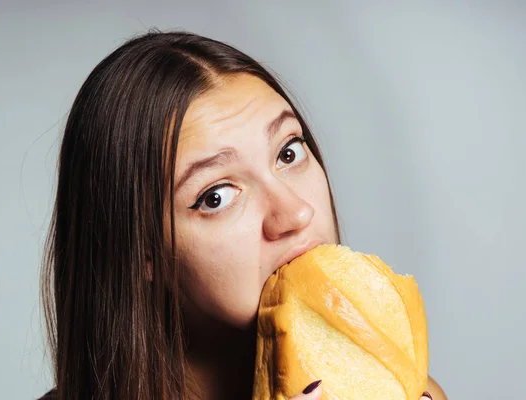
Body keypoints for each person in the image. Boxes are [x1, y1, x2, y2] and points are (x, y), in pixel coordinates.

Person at [38, 30, 446, 400]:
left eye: (289, 153)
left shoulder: (405, 390)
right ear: (144, 254)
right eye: (216, 196)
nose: (295, 212)